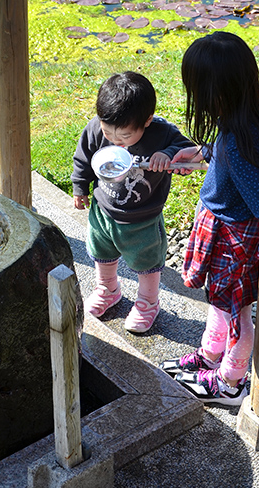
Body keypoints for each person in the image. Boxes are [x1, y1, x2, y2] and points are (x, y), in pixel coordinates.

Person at [160, 32, 259, 406]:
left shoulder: (237, 146)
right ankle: (211, 356)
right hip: (223, 230)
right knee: (219, 301)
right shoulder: (242, 124)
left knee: (235, 312)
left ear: (216, 94)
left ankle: (230, 382)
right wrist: (201, 153)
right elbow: (232, 160)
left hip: (231, 239)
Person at [72, 71, 191, 333]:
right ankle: (107, 290)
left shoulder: (162, 133)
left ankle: (148, 302)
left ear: (147, 121)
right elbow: (83, 159)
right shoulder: (97, 127)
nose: (115, 141)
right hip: (103, 210)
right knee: (102, 254)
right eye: (108, 133)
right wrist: (80, 187)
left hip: (142, 218)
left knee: (146, 262)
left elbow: (187, 150)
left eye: (125, 136)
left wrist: (167, 154)